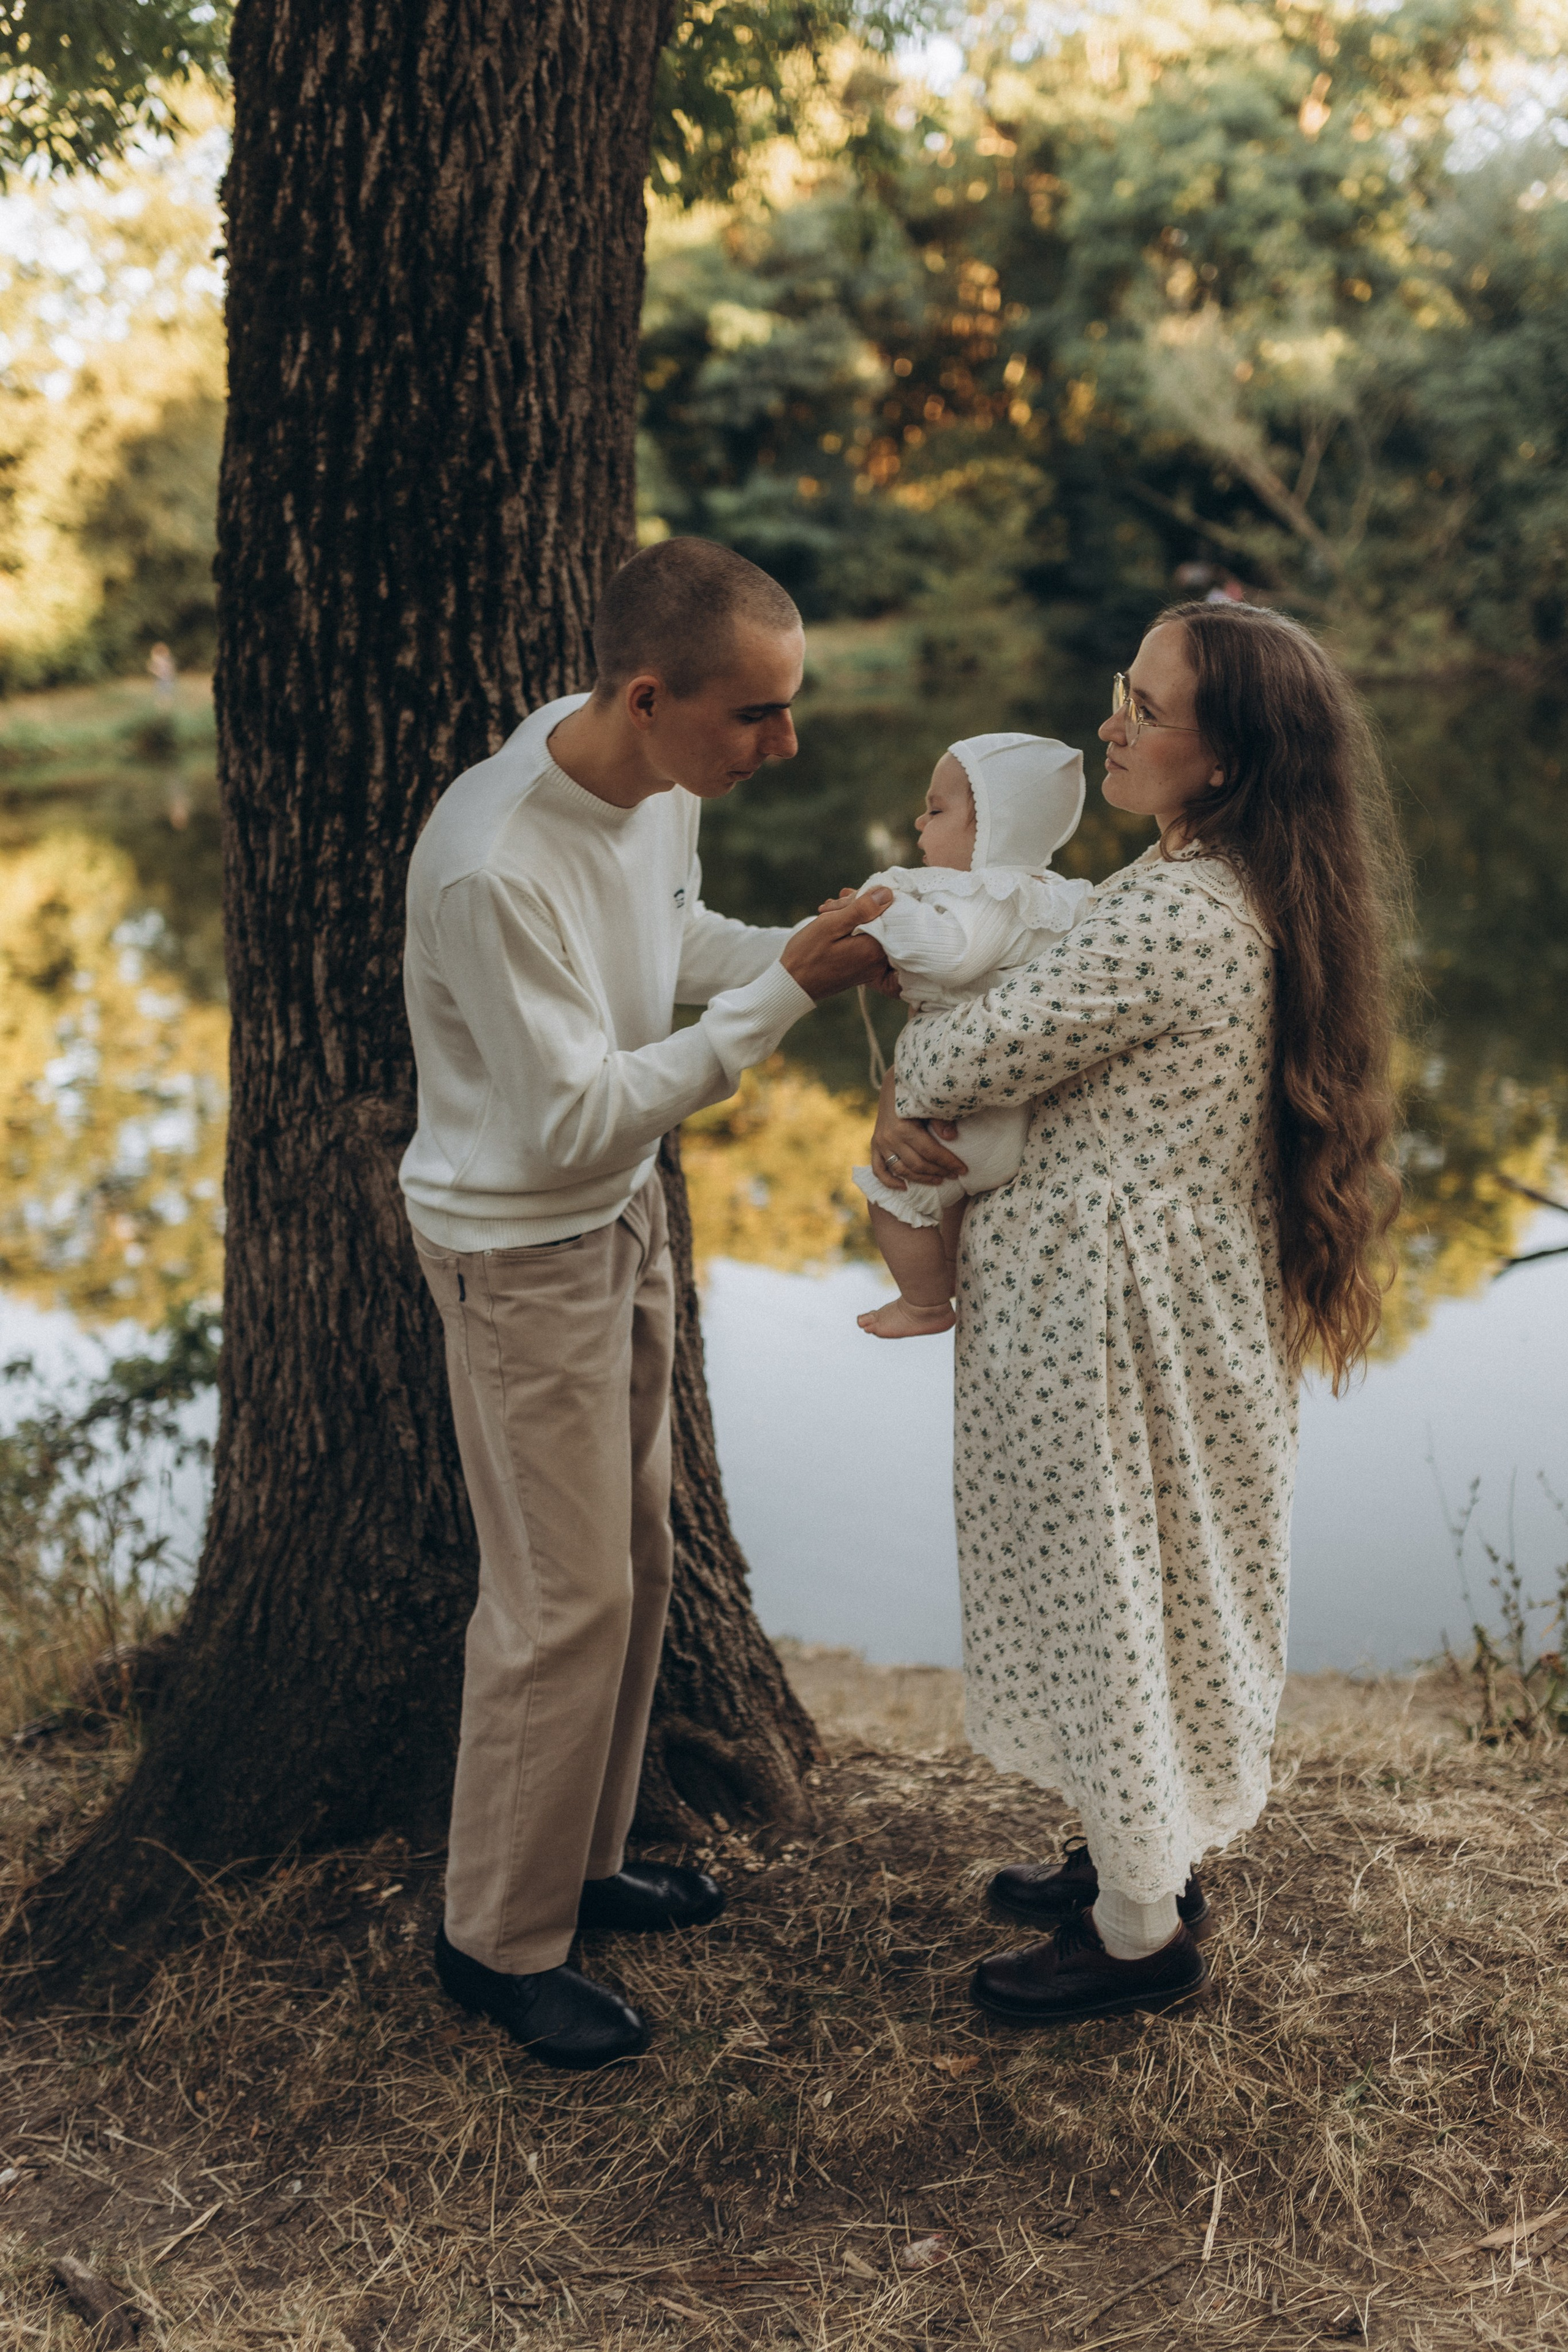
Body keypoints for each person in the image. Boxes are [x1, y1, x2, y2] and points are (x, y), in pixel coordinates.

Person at [869, 602, 1405, 2024]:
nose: (1113, 718)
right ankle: (1129, 1848)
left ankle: (1134, 1935)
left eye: (1146, 704)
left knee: (1103, 1585)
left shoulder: (1173, 910)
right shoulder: (1222, 882)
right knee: (1139, 1581)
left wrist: (910, 1064)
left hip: (1109, 1314)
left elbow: (964, 1048)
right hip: (1162, 1291)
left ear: (1221, 759)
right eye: (1124, 686)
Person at [398, 538, 892, 2070]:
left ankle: (584, 1863)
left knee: (643, 1558)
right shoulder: (492, 860)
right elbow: (565, 1120)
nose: (779, 745)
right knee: (561, 1601)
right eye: (754, 716)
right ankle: (495, 1938)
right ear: (646, 693)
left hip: (616, 1215)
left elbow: (668, 946)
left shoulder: (653, 779)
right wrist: (782, 999)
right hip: (517, 1240)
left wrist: (815, 955)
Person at [845, 733, 1092, 1338]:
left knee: (893, 1189)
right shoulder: (1046, 900)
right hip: (995, 1114)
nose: (918, 821)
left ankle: (925, 1302)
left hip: (965, 1116)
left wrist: (880, 917)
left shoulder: (988, 898)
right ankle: (950, 1276)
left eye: (935, 809)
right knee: (946, 1200)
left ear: (992, 829)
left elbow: (950, 958)